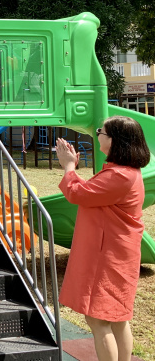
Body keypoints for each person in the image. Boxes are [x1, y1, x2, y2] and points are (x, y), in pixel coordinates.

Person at [55, 116, 150, 361]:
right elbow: (91, 193)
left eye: (102, 131)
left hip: (108, 255)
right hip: (117, 252)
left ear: (115, 141)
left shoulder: (119, 176)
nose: (98, 135)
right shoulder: (126, 173)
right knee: (118, 318)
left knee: (98, 320)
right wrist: (73, 169)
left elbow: (78, 195)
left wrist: (68, 167)